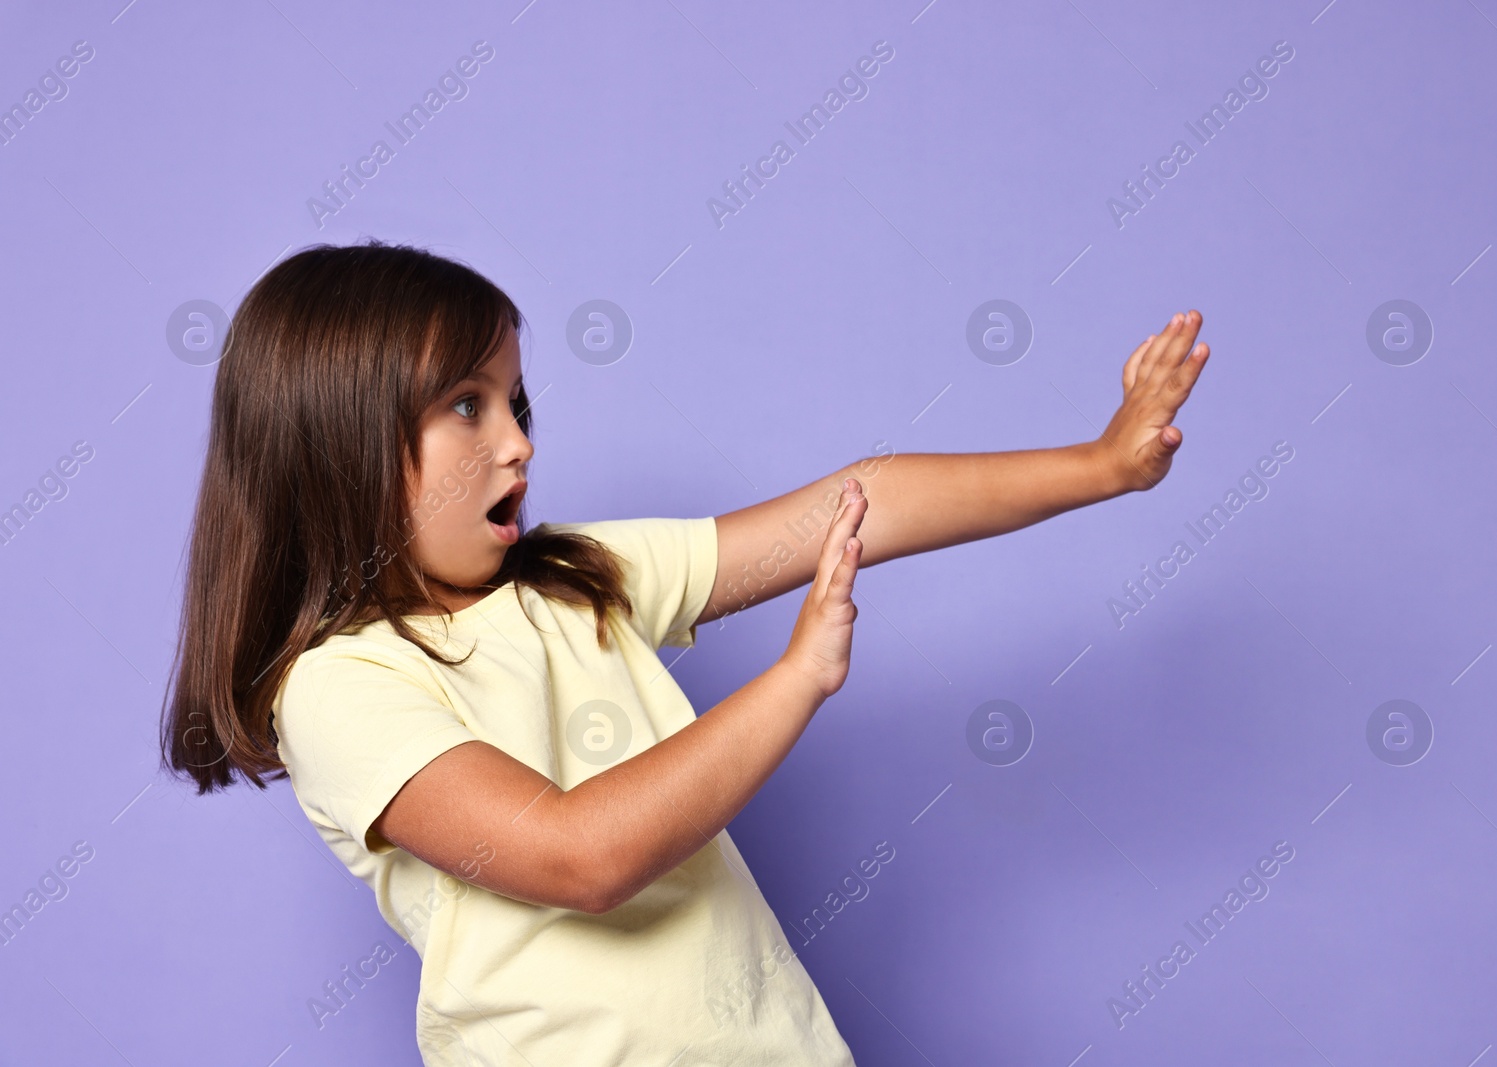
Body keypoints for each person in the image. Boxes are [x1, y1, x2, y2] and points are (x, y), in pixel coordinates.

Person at [158, 238, 1209, 1064]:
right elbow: (580, 856)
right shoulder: (341, 686)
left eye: (515, 400)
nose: (518, 439)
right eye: (466, 406)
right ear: (340, 446)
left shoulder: (576, 574)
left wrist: (1100, 463)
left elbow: (858, 501)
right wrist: (795, 679)